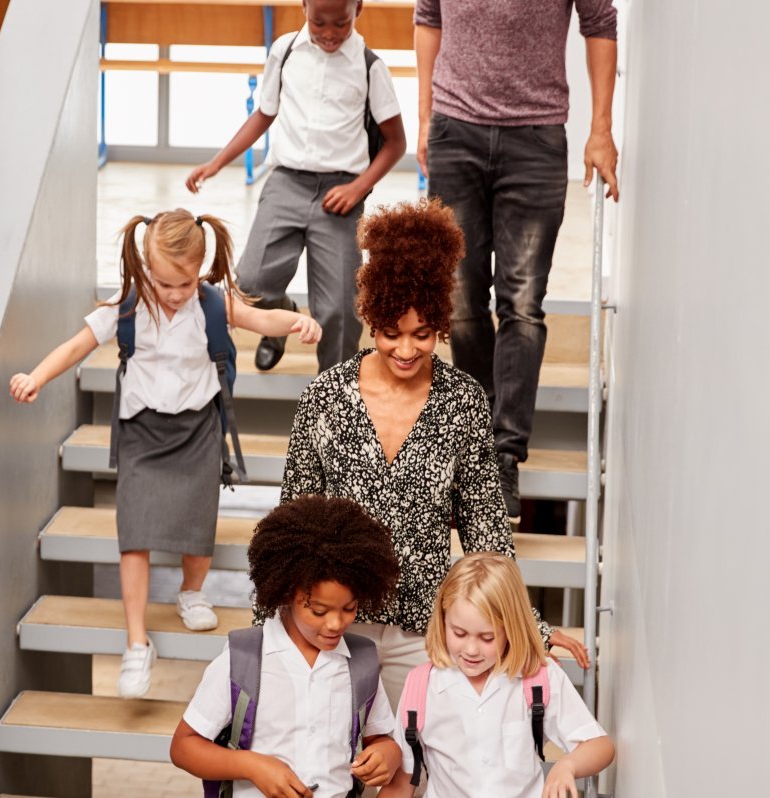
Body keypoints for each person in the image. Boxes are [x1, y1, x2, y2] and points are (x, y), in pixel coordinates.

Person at [279, 199, 587, 707]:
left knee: (412, 773)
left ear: (440, 323)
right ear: (370, 319)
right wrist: (274, 622)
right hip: (330, 625)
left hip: (419, 635)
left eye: (421, 335)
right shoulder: (326, 397)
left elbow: (486, 529)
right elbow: (293, 523)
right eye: (390, 334)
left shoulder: (462, 401)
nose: (404, 349)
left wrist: (529, 626)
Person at [9, 209, 321, 698]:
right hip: (142, 430)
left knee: (198, 523)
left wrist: (298, 323)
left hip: (196, 427)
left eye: (184, 283)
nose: (174, 293)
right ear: (144, 267)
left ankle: (191, 592)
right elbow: (76, 347)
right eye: (163, 282)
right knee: (134, 535)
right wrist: (36, 376)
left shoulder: (213, 304)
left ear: (200, 271)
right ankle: (137, 642)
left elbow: (263, 318)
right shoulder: (128, 305)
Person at [413, 0, 621, 518]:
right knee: (459, 302)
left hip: (536, 139)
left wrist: (600, 128)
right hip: (454, 131)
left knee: (522, 304)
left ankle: (503, 454)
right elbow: (428, 18)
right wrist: (424, 117)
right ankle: (476, 446)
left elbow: (600, 23)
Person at [186, 0, 406, 374]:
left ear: (359, 10)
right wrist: (217, 162)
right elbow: (263, 114)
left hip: (340, 194)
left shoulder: (370, 67)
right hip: (285, 184)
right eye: (319, 22)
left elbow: (395, 143)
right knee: (251, 285)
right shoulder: (284, 51)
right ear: (303, 7)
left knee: (339, 308)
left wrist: (358, 188)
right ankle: (281, 320)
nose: (330, 33)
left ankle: (332, 397)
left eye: (341, 23)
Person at [171, 495, 405, 798]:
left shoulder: (361, 663)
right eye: (318, 611)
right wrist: (254, 766)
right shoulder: (244, 659)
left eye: (349, 608)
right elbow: (183, 747)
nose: (335, 623)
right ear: (285, 592)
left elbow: (380, 738)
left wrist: (389, 753)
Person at [379, 553, 614, 798]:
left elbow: (600, 746)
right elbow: (404, 779)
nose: (471, 649)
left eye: (487, 638)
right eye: (459, 633)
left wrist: (567, 765)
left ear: (511, 629)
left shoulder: (538, 678)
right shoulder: (421, 685)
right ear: (443, 620)